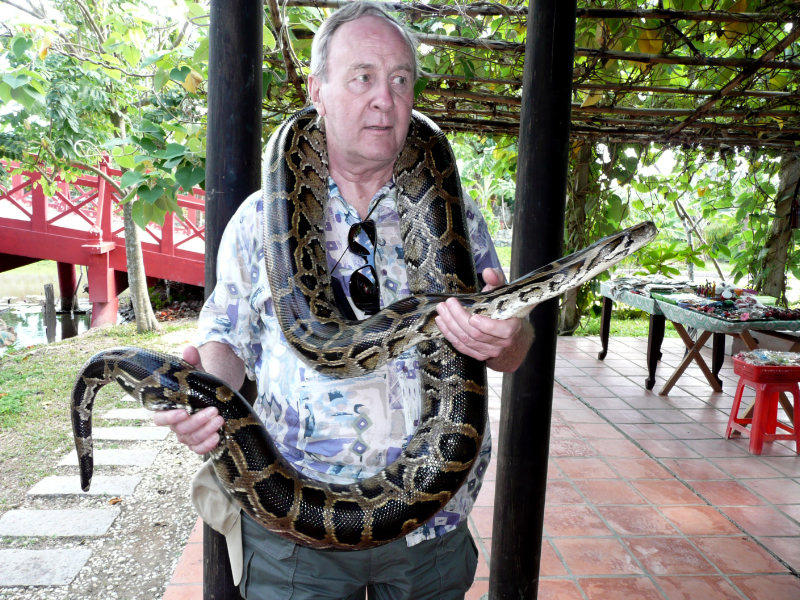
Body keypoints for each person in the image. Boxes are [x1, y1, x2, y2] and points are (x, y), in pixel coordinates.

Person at [154, 2, 534, 598]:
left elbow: (511, 351)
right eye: (362, 77)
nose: (385, 99)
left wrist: (511, 339)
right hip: (295, 547)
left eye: (401, 80)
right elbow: (226, 340)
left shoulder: (460, 219)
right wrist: (207, 394)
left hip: (429, 538)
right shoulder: (258, 221)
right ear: (318, 92)